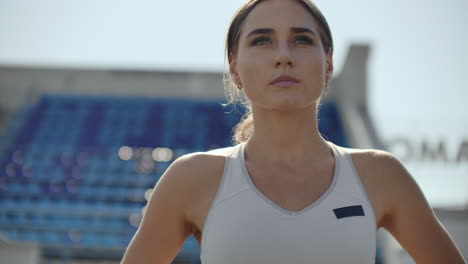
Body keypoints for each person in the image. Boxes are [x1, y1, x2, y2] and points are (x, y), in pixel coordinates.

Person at [121, 0, 466, 263]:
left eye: (301, 40)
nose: (284, 56)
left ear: (327, 64)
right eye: (262, 41)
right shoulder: (191, 177)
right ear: (235, 68)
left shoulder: (381, 174)